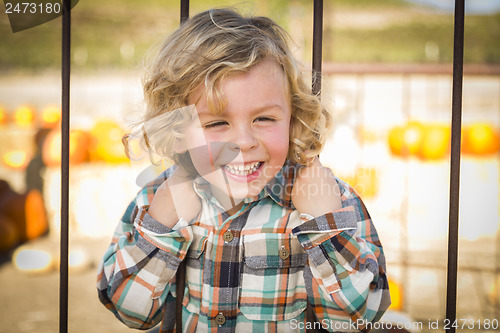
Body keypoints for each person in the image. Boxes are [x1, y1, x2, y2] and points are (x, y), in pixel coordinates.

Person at [97, 8, 390, 332]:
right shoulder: (159, 198)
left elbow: (363, 316)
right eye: (217, 123)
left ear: (293, 119)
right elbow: (129, 310)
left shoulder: (328, 200)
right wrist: (164, 222)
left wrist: (324, 225)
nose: (243, 141)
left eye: (264, 119)